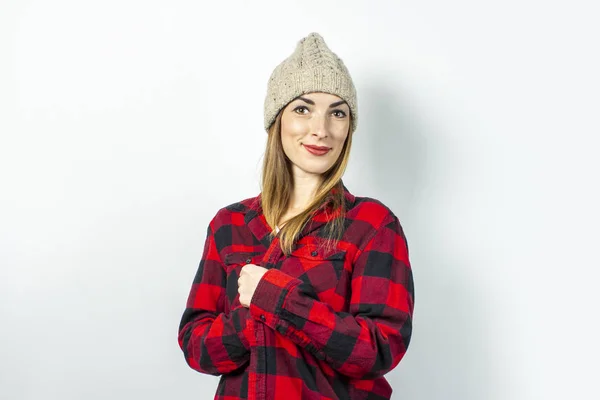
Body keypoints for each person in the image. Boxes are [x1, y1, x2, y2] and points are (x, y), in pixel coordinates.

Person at [178, 32, 415, 400]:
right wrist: (252, 320)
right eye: (303, 109)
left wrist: (278, 299)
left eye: (337, 112)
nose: (321, 129)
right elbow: (195, 345)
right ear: (277, 120)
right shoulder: (229, 225)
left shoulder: (372, 224)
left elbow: (379, 349)